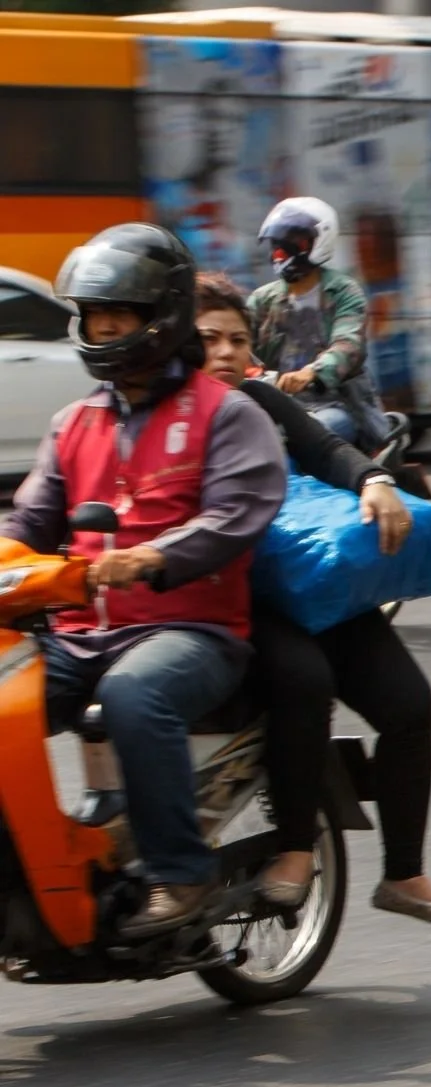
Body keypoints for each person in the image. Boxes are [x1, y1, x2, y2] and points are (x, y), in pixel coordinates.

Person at [1, 224, 286, 938]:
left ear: (158, 319)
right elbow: (28, 522)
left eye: (116, 317)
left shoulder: (229, 414)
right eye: (93, 317)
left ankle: (179, 875)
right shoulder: (73, 423)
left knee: (135, 695)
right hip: (79, 632)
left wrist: (152, 557)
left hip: (192, 631)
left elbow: (236, 515)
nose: (102, 330)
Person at [193, 275, 431, 927]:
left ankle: (404, 872)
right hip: (242, 595)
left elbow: (326, 450)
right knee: (305, 681)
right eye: (211, 339)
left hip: (313, 579)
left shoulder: (260, 399)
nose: (228, 352)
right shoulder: (176, 418)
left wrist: (374, 480)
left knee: (410, 706)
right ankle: (294, 848)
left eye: (239, 339)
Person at [247, 197, 390, 450]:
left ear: (317, 242)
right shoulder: (262, 300)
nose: (281, 252)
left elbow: (348, 345)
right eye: (277, 244)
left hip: (336, 405)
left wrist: (312, 372)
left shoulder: (344, 291)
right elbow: (240, 346)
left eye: (291, 243)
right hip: (275, 407)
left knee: (300, 437)